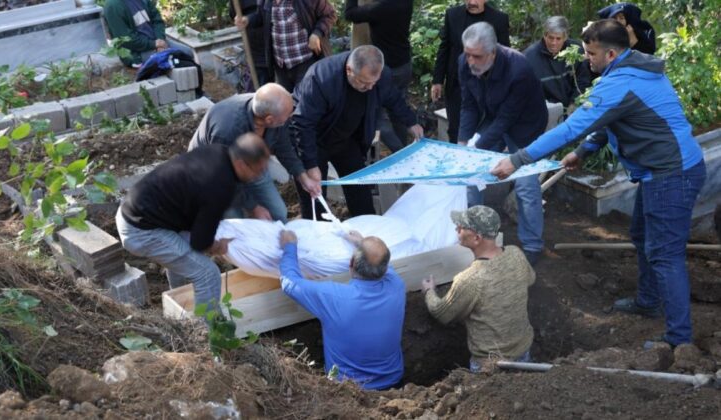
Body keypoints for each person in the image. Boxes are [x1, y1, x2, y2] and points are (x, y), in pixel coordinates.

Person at [491, 20, 706, 348]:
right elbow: (610, 122)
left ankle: (680, 340)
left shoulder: (620, 83)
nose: (586, 58)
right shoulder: (636, 71)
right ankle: (648, 302)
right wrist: (583, 151)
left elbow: (570, 127)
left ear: (610, 53)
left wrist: (517, 159)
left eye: (590, 53)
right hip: (663, 171)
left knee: (665, 255)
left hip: (671, 176)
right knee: (642, 236)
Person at [116, 133, 270, 313]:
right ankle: (210, 334)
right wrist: (218, 246)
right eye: (257, 171)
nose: (258, 176)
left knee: (185, 252)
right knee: (208, 274)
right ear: (242, 164)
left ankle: (177, 301)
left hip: (138, 210)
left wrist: (253, 208)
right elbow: (200, 242)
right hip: (142, 231)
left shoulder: (219, 152)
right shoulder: (218, 186)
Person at [291, 45, 424, 219]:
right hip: (313, 139)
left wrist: (411, 122)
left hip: (346, 139)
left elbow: (393, 99)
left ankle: (367, 227)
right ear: (349, 70)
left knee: (360, 187)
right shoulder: (322, 77)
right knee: (314, 195)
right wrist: (310, 164)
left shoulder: (380, 77)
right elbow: (303, 122)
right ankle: (317, 232)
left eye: (373, 83)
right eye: (363, 83)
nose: (369, 88)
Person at [458, 22, 547, 266]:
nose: (470, 61)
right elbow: (467, 105)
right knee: (472, 175)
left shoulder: (519, 68)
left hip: (526, 127)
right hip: (492, 119)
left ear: (493, 53)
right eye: (467, 54)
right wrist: (463, 142)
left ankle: (532, 246)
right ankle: (476, 234)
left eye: (477, 56)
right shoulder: (463, 62)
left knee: (526, 186)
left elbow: (508, 118)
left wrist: (478, 147)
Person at [279, 229, 405, 389]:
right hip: (395, 384)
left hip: (349, 393)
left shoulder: (333, 297)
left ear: (351, 263)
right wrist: (363, 244)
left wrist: (289, 246)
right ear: (385, 270)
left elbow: (290, 283)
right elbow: (384, 265)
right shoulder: (397, 286)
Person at [421, 205, 535, 372]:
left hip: (490, 366)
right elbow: (530, 279)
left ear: (477, 238)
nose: (456, 228)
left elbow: (442, 313)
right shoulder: (516, 253)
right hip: (524, 351)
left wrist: (429, 291)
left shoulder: (470, 279)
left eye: (462, 227)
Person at [188, 83, 321, 222]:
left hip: (251, 164)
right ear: (269, 119)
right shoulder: (227, 131)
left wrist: (302, 176)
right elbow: (224, 176)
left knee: (278, 212)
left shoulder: (271, 112)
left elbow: (283, 147)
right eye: (288, 115)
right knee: (235, 221)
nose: (290, 117)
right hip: (214, 174)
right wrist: (254, 207)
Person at [431, 0, 510, 143]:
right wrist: (437, 80)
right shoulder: (452, 15)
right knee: (455, 129)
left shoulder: (499, 19)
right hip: (456, 84)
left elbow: (505, 54)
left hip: (487, 85)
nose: (472, 2)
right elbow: (444, 48)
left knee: (484, 130)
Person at [344, 0, 415, 152]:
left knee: (377, 117)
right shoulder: (406, 3)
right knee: (398, 112)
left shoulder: (379, 9)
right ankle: (404, 151)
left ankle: (398, 151)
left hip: (383, 71)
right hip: (404, 65)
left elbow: (350, 14)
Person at [235, 0, 337, 93]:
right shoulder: (267, 2)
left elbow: (329, 15)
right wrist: (247, 20)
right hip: (281, 65)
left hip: (304, 61)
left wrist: (317, 34)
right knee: (287, 103)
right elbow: (262, 16)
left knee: (305, 102)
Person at [523, 16, 592, 109]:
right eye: (550, 38)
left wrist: (574, 103)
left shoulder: (575, 50)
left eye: (558, 38)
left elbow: (583, 80)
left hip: (574, 107)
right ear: (544, 35)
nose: (553, 43)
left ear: (565, 37)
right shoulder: (529, 57)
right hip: (546, 110)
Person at [103, 0, 193, 67]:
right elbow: (127, 40)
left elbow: (157, 21)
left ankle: (196, 90)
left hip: (157, 41)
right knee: (177, 61)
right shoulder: (113, 6)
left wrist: (160, 40)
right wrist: (154, 44)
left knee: (188, 52)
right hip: (137, 53)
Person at [229, 0, 273, 87]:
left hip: (274, 46)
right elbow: (234, 14)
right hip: (256, 49)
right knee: (262, 84)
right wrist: (243, 20)